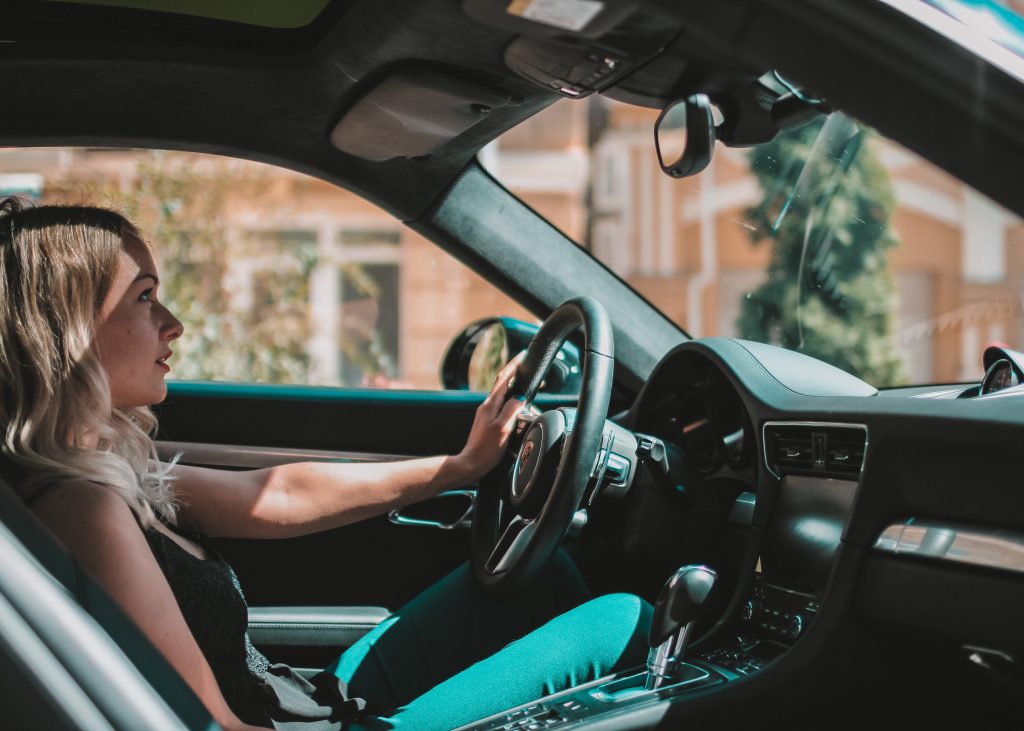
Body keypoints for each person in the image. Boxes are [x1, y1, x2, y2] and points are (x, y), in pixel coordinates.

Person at [0, 197, 652, 730]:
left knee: (545, 574)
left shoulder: (108, 469)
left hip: (300, 701)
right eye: (144, 299)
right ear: (69, 331)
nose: (173, 323)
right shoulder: (82, 507)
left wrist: (461, 464)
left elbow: (274, 494)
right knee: (626, 623)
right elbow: (206, 724)